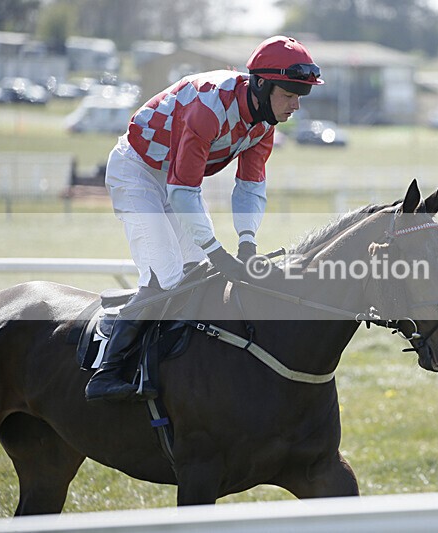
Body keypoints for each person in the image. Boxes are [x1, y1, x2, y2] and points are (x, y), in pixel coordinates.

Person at [85, 35, 323, 401]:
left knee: (197, 276)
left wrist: (246, 243)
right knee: (165, 276)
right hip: (138, 170)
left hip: (175, 177)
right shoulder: (208, 108)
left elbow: (250, 187)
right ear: (260, 84)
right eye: (290, 94)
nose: (295, 105)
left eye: (300, 96)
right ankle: (106, 370)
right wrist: (217, 251)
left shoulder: (263, 123)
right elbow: (183, 191)